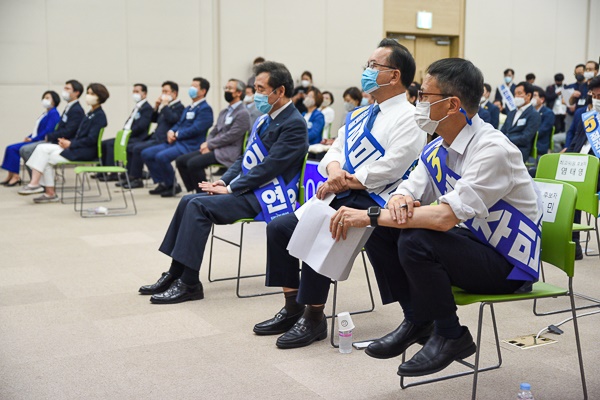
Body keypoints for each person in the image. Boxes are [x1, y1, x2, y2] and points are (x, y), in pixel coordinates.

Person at [331, 58, 541, 378]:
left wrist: (371, 215)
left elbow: (444, 218)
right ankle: (417, 319)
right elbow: (410, 188)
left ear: (452, 104)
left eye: (425, 97)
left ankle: (450, 335)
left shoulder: (492, 149)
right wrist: (400, 199)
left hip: (509, 264)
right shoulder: (438, 148)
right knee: (387, 231)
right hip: (474, 244)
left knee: (415, 238)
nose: (417, 103)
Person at [252, 39, 426, 349]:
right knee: (279, 227)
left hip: (376, 199)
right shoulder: (360, 113)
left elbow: (394, 166)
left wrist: (345, 181)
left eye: (374, 66)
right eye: (367, 66)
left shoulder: (410, 118)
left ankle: (314, 316)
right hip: (341, 191)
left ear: (394, 75)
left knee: (325, 226)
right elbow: (336, 149)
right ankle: (293, 307)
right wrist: (334, 173)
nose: (367, 72)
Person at [138, 61, 308, 304]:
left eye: (261, 89)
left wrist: (231, 188)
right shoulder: (265, 118)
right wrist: (224, 181)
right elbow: (244, 159)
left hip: (269, 196)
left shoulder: (294, 124)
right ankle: (176, 273)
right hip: (250, 189)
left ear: (279, 91)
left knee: (199, 206)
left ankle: (189, 283)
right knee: (188, 200)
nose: (256, 94)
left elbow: (269, 167)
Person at [17, 83, 109, 203]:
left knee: (46, 156)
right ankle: (38, 185)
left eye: (92, 94)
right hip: (77, 147)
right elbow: (79, 136)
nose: (88, 96)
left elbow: (91, 139)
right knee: (41, 148)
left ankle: (45, 190)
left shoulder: (99, 116)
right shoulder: (90, 114)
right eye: (88, 93)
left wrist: (71, 144)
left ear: (99, 96)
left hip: (86, 152)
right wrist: (67, 142)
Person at [176, 79, 250, 193]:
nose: (226, 90)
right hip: (215, 147)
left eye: (230, 88)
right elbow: (214, 130)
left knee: (193, 164)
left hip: (228, 151)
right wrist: (208, 143)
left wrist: (210, 145)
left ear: (239, 92)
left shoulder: (243, 113)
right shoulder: (225, 111)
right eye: (226, 88)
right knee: (181, 161)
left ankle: (204, 193)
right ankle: (195, 190)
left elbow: (231, 136)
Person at [142, 77, 213, 197]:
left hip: (190, 145)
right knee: (148, 153)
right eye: (191, 85)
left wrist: (177, 134)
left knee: (161, 157)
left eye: (195, 86)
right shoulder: (189, 107)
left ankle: (172, 185)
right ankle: (164, 183)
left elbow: (196, 128)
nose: (191, 88)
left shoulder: (205, 109)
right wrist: (171, 131)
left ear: (203, 91)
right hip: (177, 142)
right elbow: (179, 123)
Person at [564, 76, 600, 260]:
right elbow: (576, 141)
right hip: (577, 164)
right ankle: (561, 239)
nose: (596, 99)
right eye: (594, 95)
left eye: (599, 95)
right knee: (540, 176)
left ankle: (574, 242)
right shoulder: (587, 116)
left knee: (573, 188)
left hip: (596, 171)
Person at [123, 81, 185, 189]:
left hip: (165, 140)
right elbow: (153, 119)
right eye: (162, 92)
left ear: (174, 94)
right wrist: (156, 107)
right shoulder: (166, 107)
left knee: (139, 149)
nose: (163, 94)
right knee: (134, 148)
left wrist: (165, 106)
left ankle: (137, 178)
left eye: (166, 91)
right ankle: (160, 181)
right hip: (155, 138)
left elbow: (173, 119)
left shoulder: (179, 107)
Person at [19, 80, 85, 179]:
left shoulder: (77, 110)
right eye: (64, 88)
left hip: (64, 142)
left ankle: (38, 181)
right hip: (56, 139)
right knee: (25, 149)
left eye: (67, 89)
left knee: (27, 150)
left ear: (76, 93)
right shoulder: (69, 107)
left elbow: (69, 131)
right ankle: (37, 180)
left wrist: (49, 136)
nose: (64, 91)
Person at [1, 91, 61, 186]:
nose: (44, 100)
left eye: (47, 98)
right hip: (35, 138)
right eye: (44, 97)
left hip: (41, 141)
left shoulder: (54, 113)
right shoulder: (45, 113)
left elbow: (48, 131)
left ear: (54, 100)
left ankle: (16, 177)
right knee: (9, 148)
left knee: (13, 149)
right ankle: (10, 175)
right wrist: (29, 137)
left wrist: (33, 139)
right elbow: (37, 129)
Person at [99, 83, 153, 181]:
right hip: (126, 135)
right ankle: (102, 171)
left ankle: (114, 173)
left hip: (136, 137)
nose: (134, 94)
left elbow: (142, 126)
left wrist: (128, 134)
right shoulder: (137, 107)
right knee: (104, 143)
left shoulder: (147, 108)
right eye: (133, 91)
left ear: (144, 94)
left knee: (111, 145)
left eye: (137, 91)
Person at [500, 81, 541, 162]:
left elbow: (525, 138)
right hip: (505, 146)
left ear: (528, 96)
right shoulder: (512, 113)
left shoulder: (533, 114)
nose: (516, 96)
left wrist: (506, 140)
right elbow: (503, 130)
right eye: (515, 94)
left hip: (519, 150)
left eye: (519, 93)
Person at [532, 86, 555, 156]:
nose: (531, 98)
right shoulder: (529, 112)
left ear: (542, 99)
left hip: (539, 143)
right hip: (529, 140)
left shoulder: (548, 113)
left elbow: (542, 131)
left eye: (534, 96)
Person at [546, 73, 567, 138]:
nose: (558, 82)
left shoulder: (566, 87)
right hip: (554, 111)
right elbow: (547, 97)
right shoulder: (550, 88)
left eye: (560, 81)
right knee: (556, 128)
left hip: (563, 111)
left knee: (564, 127)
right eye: (557, 81)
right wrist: (556, 94)